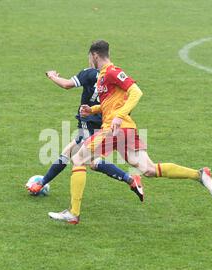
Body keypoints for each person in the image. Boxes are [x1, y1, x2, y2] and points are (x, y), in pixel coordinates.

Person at [48, 40, 212, 225]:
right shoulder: (103, 76)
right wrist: (93, 110)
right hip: (125, 130)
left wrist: (119, 116)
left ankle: (73, 213)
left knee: (78, 159)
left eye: (89, 57)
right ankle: (199, 174)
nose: (89, 61)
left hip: (115, 129)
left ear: (95, 55)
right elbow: (113, 103)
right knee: (149, 169)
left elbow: (136, 92)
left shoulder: (113, 71)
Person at [27, 55, 144, 201]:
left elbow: (67, 84)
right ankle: (42, 182)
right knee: (78, 156)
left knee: (86, 159)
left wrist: (52, 76)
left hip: (89, 120)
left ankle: (130, 180)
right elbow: (126, 96)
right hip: (106, 121)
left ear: (94, 56)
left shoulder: (88, 73)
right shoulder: (113, 75)